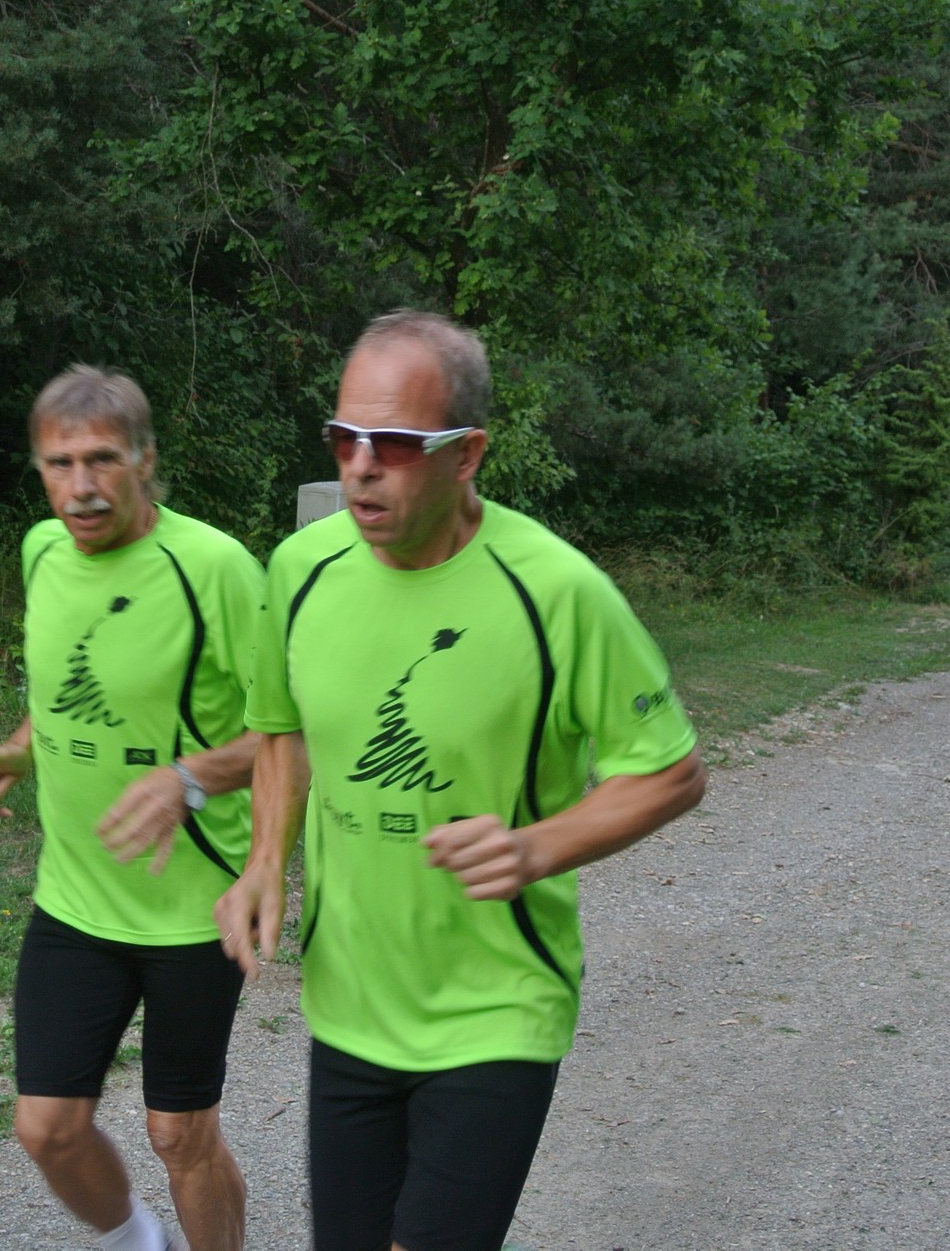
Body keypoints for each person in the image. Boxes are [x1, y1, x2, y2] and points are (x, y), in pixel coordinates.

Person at [215, 312, 708, 1251]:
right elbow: (280, 729)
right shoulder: (301, 568)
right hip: (350, 1000)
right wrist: (263, 861)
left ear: (468, 453)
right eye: (344, 438)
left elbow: (671, 771)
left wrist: (534, 847)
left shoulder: (557, 592)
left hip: (497, 1005)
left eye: (396, 444)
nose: (361, 467)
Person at [0, 365, 263, 1251]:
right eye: (60, 464)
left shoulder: (214, 568)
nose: (81, 486)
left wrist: (190, 776)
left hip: (192, 906)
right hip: (76, 900)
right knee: (46, 1127)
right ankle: (142, 1242)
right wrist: (20, 748)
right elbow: (64, 680)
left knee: (180, 1134)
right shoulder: (41, 551)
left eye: (101, 459)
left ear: (145, 459)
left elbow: (296, 732)